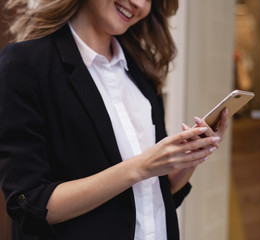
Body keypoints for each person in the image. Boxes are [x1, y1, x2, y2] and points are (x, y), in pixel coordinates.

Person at [0, 0, 229, 239]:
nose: (139, 4)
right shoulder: (25, 64)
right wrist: (142, 166)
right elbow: (30, 204)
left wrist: (189, 156)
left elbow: (154, 196)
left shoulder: (141, 71)